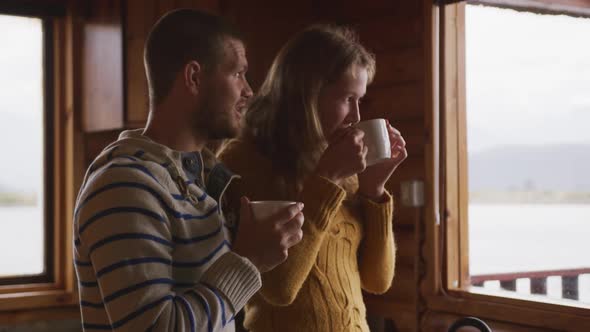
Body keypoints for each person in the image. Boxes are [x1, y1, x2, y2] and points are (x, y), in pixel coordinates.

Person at [73, 9, 304, 332]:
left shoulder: (201, 180)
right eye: (238, 73)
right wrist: (246, 261)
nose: (249, 91)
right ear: (194, 78)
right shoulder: (124, 186)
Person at [218, 25, 408, 332]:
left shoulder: (340, 163)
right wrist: (327, 178)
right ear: (307, 93)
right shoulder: (242, 161)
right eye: (348, 98)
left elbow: (378, 280)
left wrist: (374, 189)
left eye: (360, 100)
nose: (356, 117)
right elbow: (280, 289)